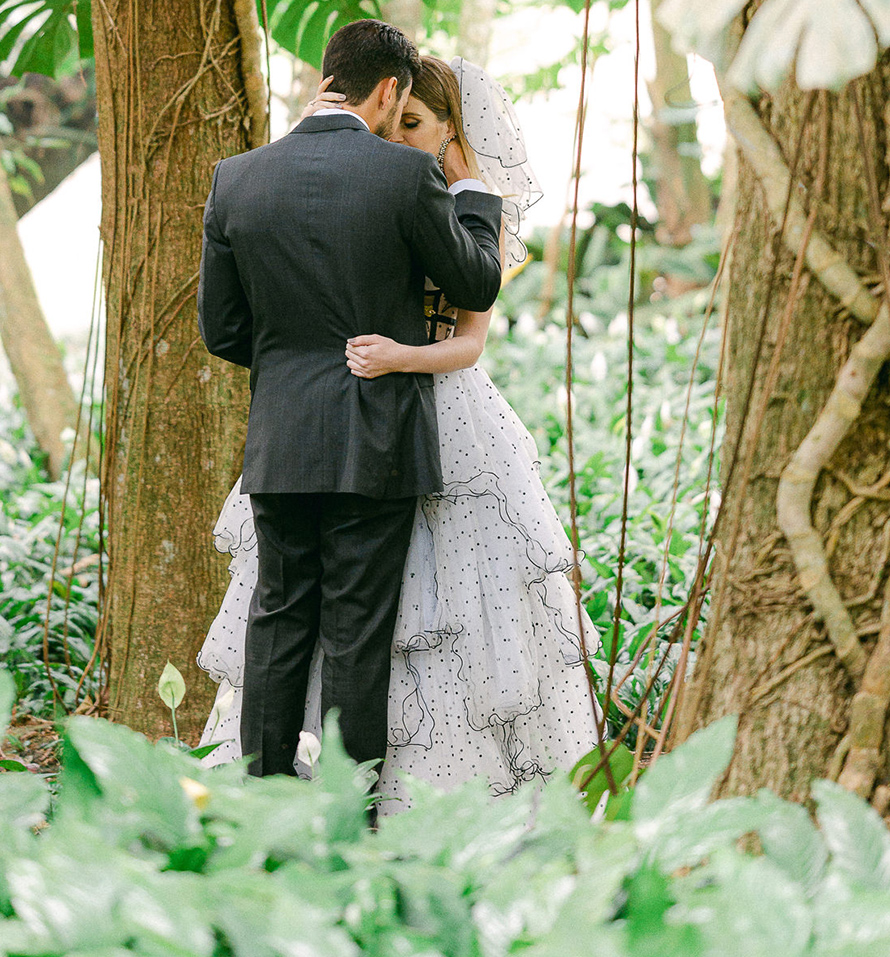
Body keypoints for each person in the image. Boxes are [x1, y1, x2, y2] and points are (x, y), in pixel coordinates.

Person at [199, 51, 600, 810]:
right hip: (377, 428)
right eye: (401, 116)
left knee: (285, 622)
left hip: (312, 426)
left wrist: (304, 363)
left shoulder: (247, 176)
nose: (401, 133)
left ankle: (265, 808)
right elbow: (456, 272)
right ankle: (347, 817)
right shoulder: (394, 179)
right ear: (386, 96)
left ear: (454, 130)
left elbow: (227, 328)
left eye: (418, 124)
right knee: (354, 630)